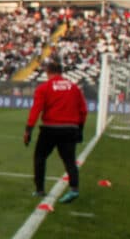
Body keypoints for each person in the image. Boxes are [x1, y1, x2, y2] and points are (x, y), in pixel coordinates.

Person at [24, 59, 87, 204]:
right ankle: (74, 189)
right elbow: (83, 111)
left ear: (48, 72)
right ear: (61, 72)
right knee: (69, 160)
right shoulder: (74, 88)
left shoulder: (44, 88)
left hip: (50, 128)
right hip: (70, 128)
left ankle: (40, 189)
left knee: (40, 157)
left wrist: (28, 130)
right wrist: (80, 130)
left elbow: (36, 110)